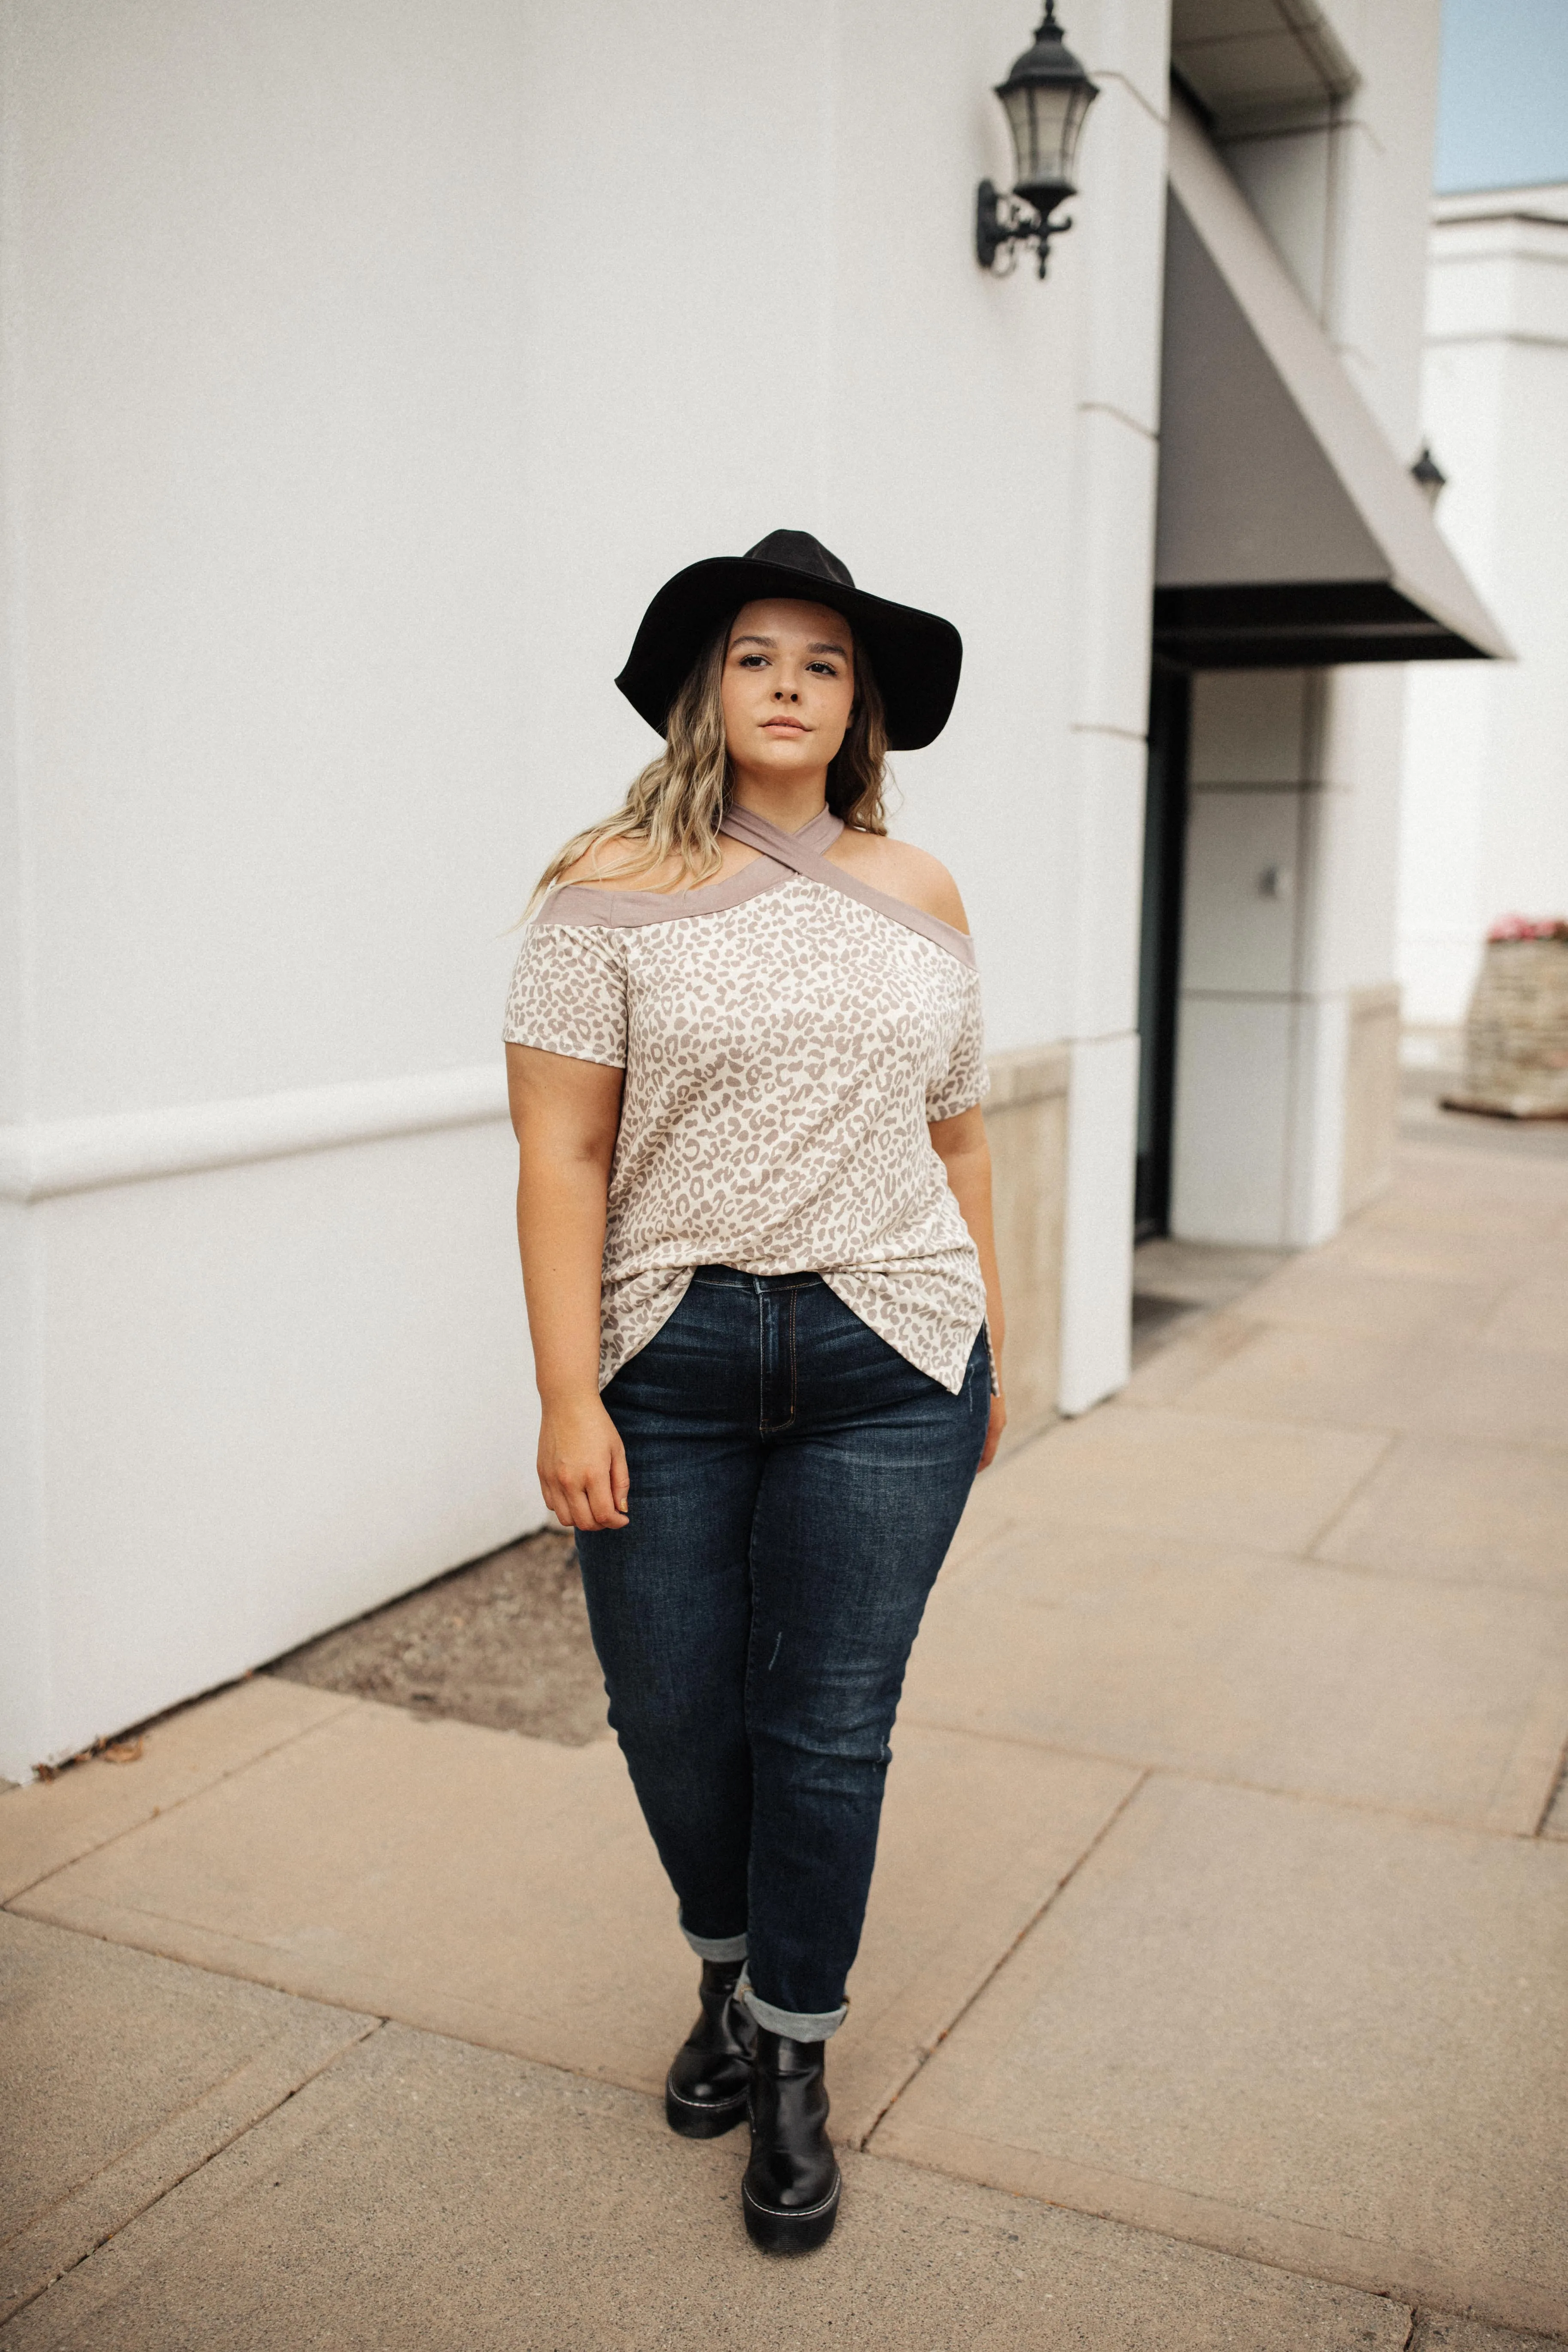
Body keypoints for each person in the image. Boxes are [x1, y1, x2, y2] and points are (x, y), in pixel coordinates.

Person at [503, 529, 1005, 2254]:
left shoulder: (921, 889)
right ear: (704, 686)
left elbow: (957, 1133)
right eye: (756, 655)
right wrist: (572, 1393)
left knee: (830, 1724)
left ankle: (792, 2050)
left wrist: (988, 1341)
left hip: (894, 1356)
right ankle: (723, 1970)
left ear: (859, 704)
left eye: (825, 662)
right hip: (675, 1361)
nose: (790, 684)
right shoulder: (605, 888)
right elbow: (562, 1153)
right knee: (671, 1711)